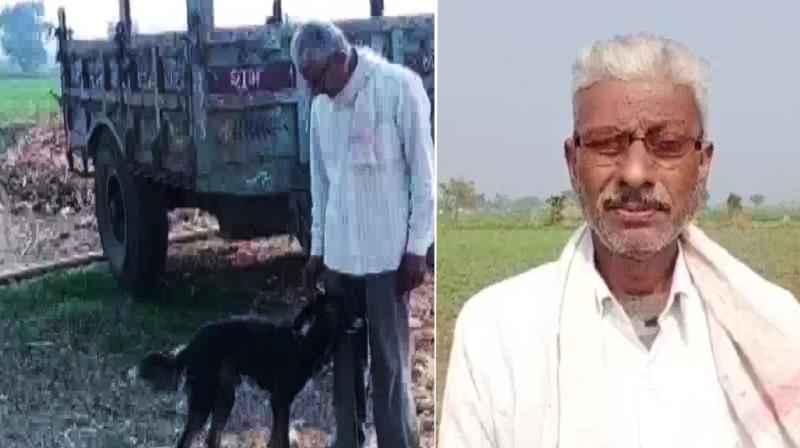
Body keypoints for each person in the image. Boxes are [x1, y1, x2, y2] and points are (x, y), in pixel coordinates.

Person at [438, 32, 800, 448]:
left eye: (666, 145)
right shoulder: (495, 333)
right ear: (574, 164)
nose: (634, 173)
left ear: (703, 165)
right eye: (606, 143)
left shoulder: (773, 330)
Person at [290, 20, 434, 448]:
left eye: (317, 80)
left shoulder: (398, 88)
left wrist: (417, 249)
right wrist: (317, 250)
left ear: (340, 59)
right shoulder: (320, 109)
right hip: (340, 261)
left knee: (390, 367)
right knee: (344, 366)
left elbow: (423, 177)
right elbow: (321, 183)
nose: (314, 91)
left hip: (387, 261)